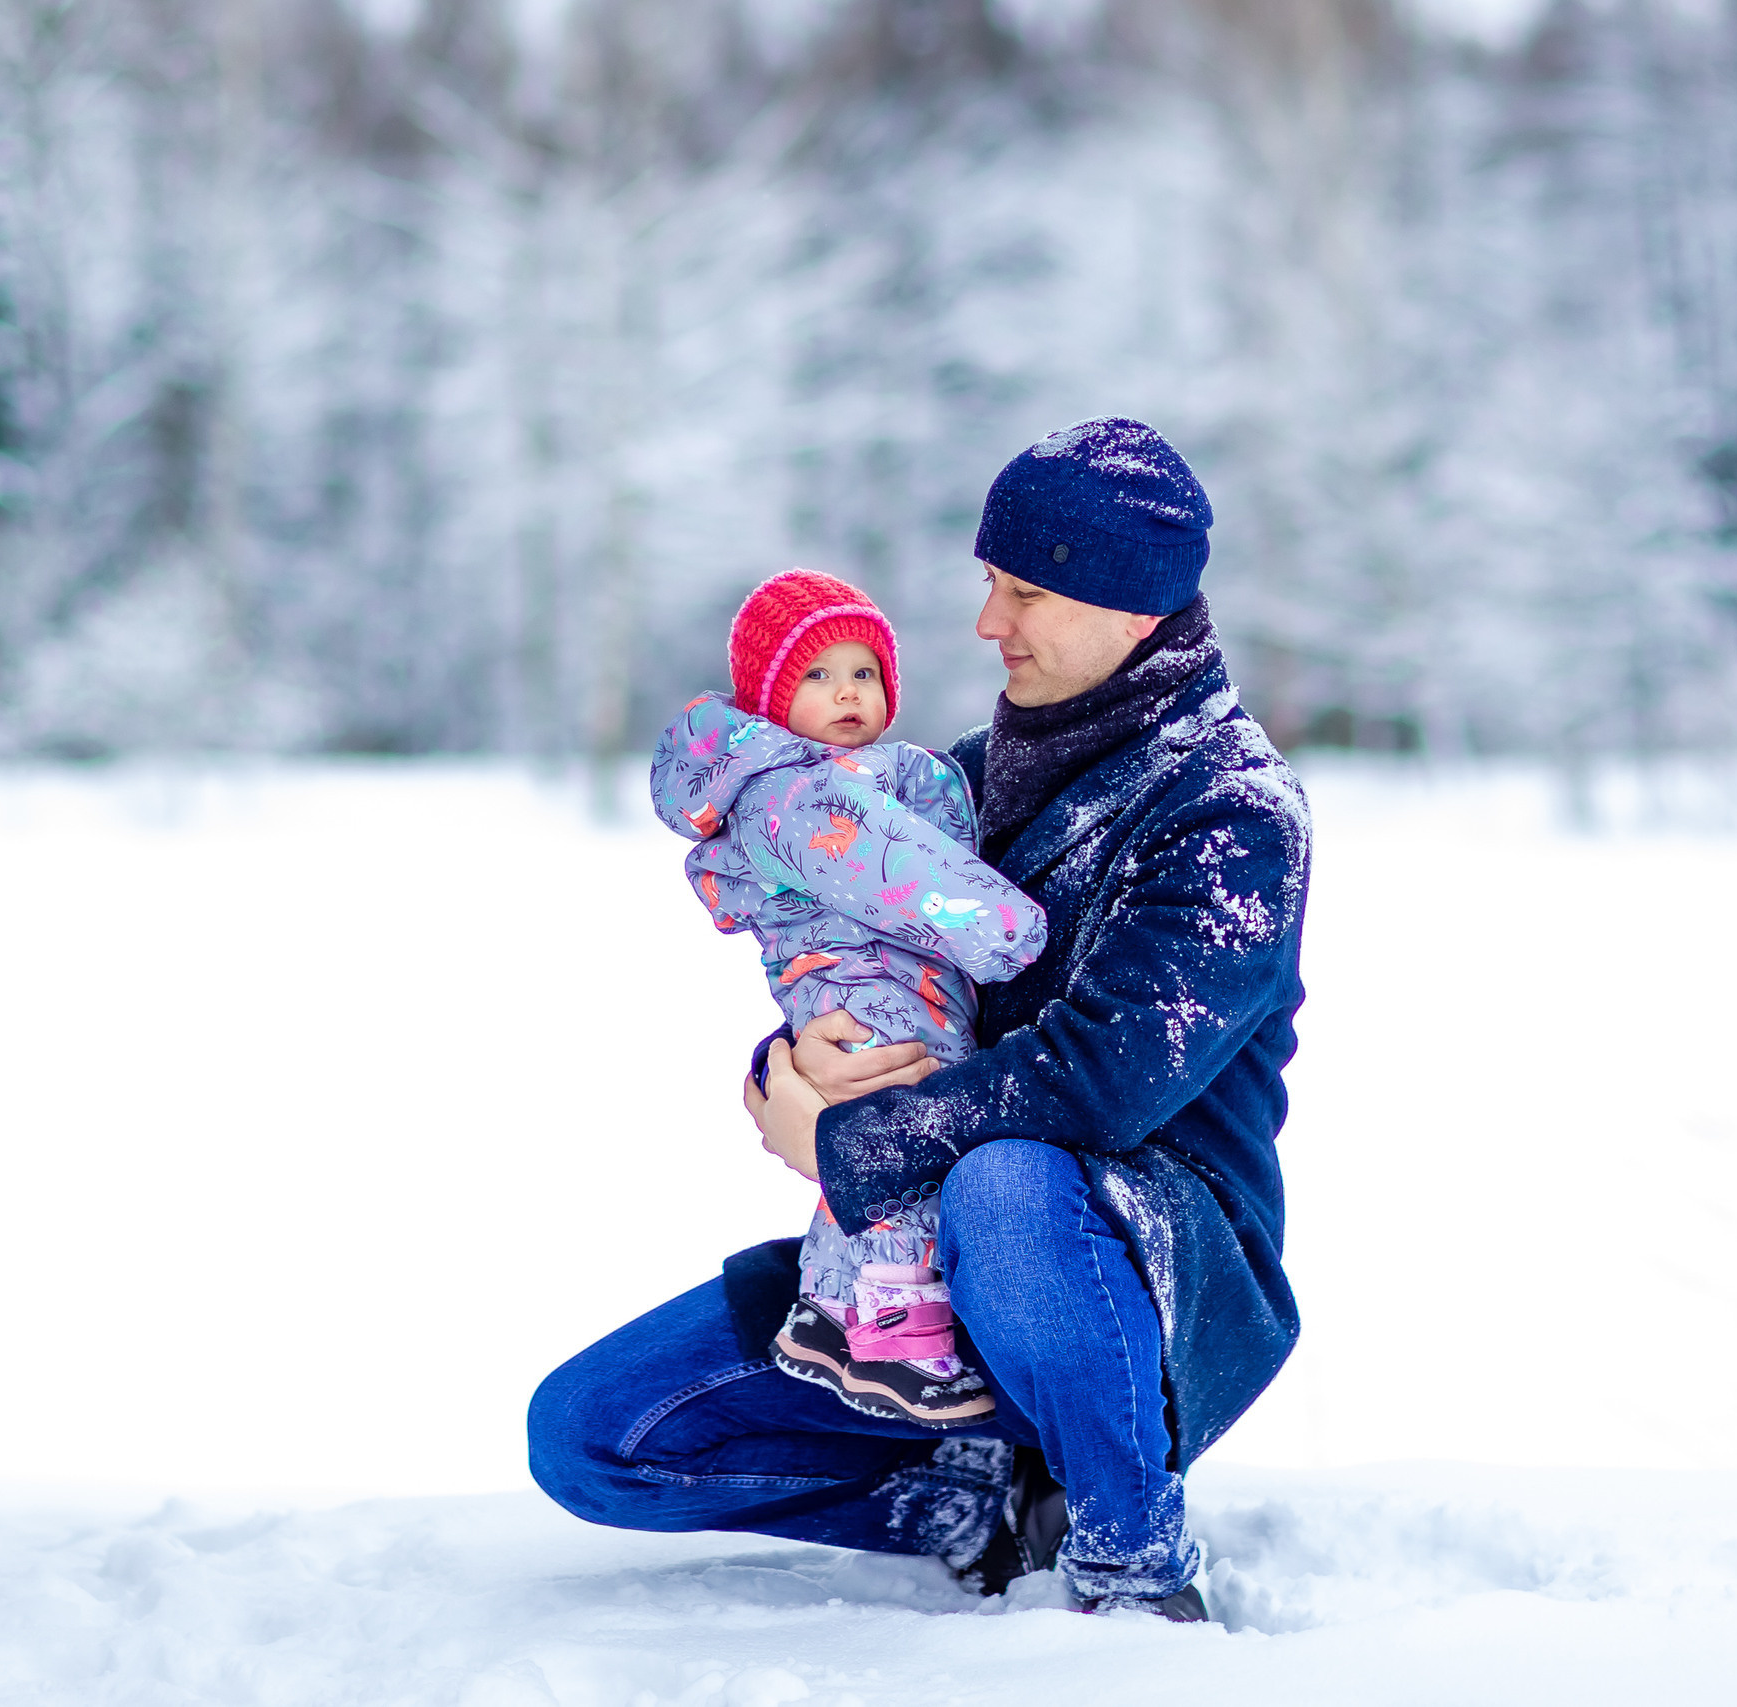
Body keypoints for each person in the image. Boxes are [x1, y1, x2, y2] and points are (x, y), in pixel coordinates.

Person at [530, 417, 1310, 1624]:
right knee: (592, 1434)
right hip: (917, 1272)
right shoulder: (949, 780)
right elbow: (848, 941)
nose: (987, 623)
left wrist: (848, 1139)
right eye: (987, 584)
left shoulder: (1233, 816)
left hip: (1128, 1278)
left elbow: (1102, 1081)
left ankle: (1128, 1556)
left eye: (1025, 590)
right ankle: (985, 1505)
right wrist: (790, 1066)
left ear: (1133, 609)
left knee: (1009, 1180)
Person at [648, 569, 1048, 1426]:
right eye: (819, 676)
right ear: (771, 694)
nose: (847, 693)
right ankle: (899, 1336)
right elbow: (898, 870)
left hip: (888, 980)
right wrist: (1006, 927)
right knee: (902, 1130)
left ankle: (833, 1308)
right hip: (870, 989)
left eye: (863, 673)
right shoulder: (797, 792)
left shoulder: (861, 773)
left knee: (887, 1126)